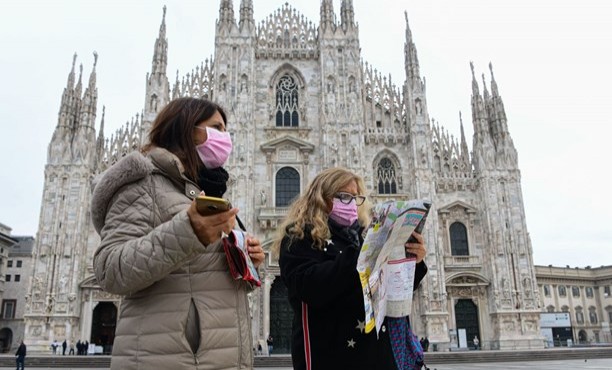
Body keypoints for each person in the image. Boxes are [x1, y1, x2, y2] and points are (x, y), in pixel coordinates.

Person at [91, 97, 265, 370]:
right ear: (186, 128)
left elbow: (198, 278)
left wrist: (246, 262)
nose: (225, 138)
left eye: (226, 130)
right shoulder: (144, 184)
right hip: (167, 358)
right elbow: (109, 269)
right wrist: (188, 231)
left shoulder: (206, 190)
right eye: (216, 128)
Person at [274, 167, 428, 370]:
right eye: (344, 196)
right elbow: (308, 287)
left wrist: (413, 262)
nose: (351, 203)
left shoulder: (362, 235)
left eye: (355, 197)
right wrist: (361, 254)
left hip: (375, 353)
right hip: (330, 354)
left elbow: (388, 289)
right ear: (322, 197)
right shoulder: (299, 237)